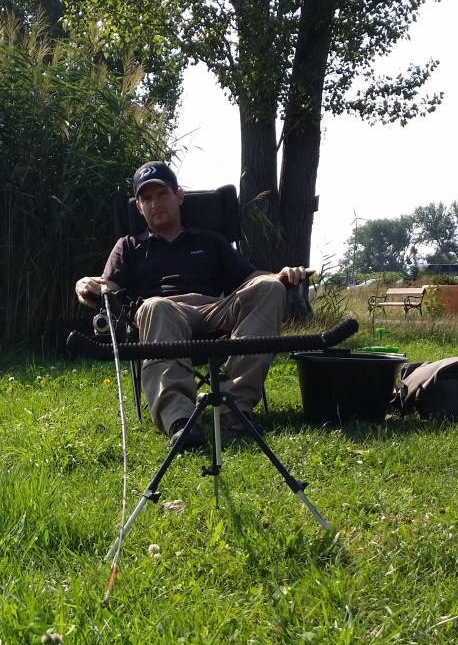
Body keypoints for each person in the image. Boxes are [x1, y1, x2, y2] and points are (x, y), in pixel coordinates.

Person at [75, 161, 313, 449]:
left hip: (215, 309)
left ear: (179, 196)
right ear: (138, 207)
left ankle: (233, 408)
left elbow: (250, 278)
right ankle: (180, 420)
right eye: (146, 198)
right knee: (154, 306)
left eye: (162, 194)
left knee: (270, 287)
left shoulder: (210, 241)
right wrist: (85, 286)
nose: (155, 203)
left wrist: (282, 275)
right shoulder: (128, 245)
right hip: (163, 314)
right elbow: (106, 288)